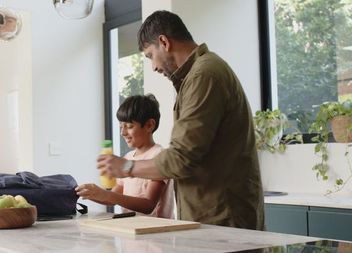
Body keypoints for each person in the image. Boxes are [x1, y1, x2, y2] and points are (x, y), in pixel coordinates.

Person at [96, 10, 264, 230]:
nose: (154, 67)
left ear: (164, 42)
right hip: (212, 217)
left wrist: (127, 167)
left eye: (149, 56)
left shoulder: (204, 75)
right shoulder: (196, 76)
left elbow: (181, 158)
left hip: (223, 219)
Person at [76, 94, 174, 218]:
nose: (123, 132)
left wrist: (106, 195)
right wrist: (91, 193)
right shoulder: (127, 158)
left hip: (157, 232)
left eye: (129, 126)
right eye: (121, 126)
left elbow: (148, 205)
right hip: (132, 229)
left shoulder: (159, 157)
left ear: (150, 125)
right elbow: (113, 197)